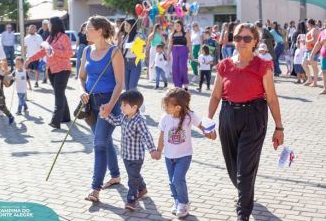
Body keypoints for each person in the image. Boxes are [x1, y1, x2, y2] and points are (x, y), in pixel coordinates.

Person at [206, 23, 284, 221]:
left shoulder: (263, 65)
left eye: (247, 38)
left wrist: (279, 127)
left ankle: (243, 213)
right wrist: (208, 122)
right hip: (228, 116)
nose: (241, 42)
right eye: (238, 37)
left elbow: (272, 98)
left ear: (255, 42)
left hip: (254, 116)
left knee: (244, 168)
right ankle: (245, 192)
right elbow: (215, 96)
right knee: (234, 167)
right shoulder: (224, 65)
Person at [79, 15, 124, 202]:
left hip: (109, 103)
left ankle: (95, 189)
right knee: (104, 141)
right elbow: (81, 77)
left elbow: (120, 83)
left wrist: (110, 105)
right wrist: (82, 92)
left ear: (99, 31)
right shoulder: (86, 51)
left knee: (99, 144)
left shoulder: (114, 52)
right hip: (90, 104)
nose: (85, 31)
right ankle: (115, 176)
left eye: (88, 28)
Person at [100, 90, 159, 210]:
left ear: (134, 107)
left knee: (132, 178)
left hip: (136, 157)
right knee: (134, 175)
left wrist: (152, 150)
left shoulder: (139, 121)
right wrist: (106, 116)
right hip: (126, 154)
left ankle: (131, 200)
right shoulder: (123, 116)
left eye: (124, 105)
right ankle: (142, 189)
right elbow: (116, 121)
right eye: (121, 104)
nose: (121, 107)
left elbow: (146, 136)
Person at [156, 88, 208, 218]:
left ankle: (184, 203)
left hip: (184, 156)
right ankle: (177, 200)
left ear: (178, 107)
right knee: (171, 181)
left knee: (177, 179)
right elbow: (162, 135)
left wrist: (209, 132)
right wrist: (158, 150)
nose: (165, 108)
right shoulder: (165, 118)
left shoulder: (189, 116)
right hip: (168, 156)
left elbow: (202, 126)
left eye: (167, 106)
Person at [25, 17, 73, 129]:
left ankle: (56, 121)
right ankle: (66, 117)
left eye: (49, 24)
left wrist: (54, 51)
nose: (48, 26)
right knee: (60, 93)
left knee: (58, 94)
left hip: (63, 69)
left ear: (54, 25)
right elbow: (42, 52)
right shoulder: (49, 38)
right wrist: (30, 59)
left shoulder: (64, 37)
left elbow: (69, 53)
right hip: (51, 70)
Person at [167, 20, 192, 90]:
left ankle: (185, 83)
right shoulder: (172, 34)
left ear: (181, 26)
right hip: (174, 51)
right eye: (175, 26)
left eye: (178, 26)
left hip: (183, 51)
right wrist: (168, 54)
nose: (177, 27)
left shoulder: (186, 34)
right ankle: (177, 85)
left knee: (182, 68)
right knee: (175, 68)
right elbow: (170, 45)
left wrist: (191, 54)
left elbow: (189, 44)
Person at [122, 18, 141, 91]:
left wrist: (129, 46)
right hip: (125, 63)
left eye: (127, 25)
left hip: (135, 62)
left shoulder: (137, 36)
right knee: (126, 87)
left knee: (132, 86)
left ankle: (136, 101)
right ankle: (129, 102)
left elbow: (139, 51)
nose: (125, 27)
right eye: (124, 25)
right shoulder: (125, 37)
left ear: (132, 26)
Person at [303, 19, 320, 87]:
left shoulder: (314, 30)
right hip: (308, 49)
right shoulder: (311, 29)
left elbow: (315, 40)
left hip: (313, 50)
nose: (306, 24)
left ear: (309, 23)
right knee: (304, 64)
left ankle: (315, 82)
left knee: (314, 66)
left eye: (307, 23)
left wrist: (306, 41)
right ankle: (310, 79)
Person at [309, 28, 326, 94]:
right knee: (324, 72)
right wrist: (312, 54)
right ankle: (325, 89)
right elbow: (318, 44)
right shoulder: (322, 33)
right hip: (324, 56)